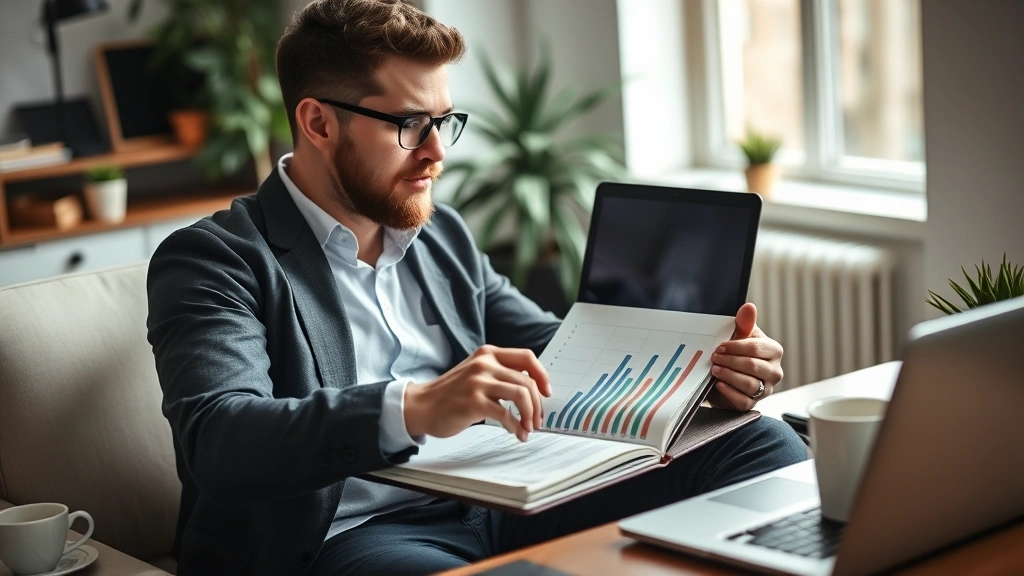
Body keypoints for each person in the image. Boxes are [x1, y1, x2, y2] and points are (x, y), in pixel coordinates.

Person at [146, 1, 807, 574]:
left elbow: (557, 350)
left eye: (445, 121)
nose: (437, 152)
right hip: (345, 541)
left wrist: (698, 371)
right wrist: (412, 407)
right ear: (319, 123)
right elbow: (218, 437)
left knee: (766, 446)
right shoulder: (217, 259)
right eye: (410, 125)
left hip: (498, 500)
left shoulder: (440, 236)